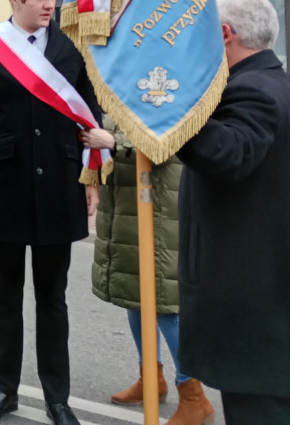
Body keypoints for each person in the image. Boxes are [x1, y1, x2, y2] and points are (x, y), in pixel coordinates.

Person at [0, 0, 101, 425]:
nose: (49, 4)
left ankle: (57, 398)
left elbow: (89, 117)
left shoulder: (68, 47)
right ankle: (4, 390)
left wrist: (91, 176)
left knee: (53, 299)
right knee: (6, 296)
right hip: (3, 188)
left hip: (60, 187)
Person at [176, 0, 290, 424]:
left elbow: (229, 154)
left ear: (223, 34)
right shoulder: (267, 81)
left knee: (262, 413)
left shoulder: (253, 89)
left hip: (252, 300)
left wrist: (168, 104)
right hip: (260, 295)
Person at [85, 118, 214, 424]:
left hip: (159, 210)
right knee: (135, 298)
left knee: (167, 307)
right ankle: (151, 380)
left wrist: (115, 144)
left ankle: (194, 395)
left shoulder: (166, 87)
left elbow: (170, 145)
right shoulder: (121, 90)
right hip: (127, 210)